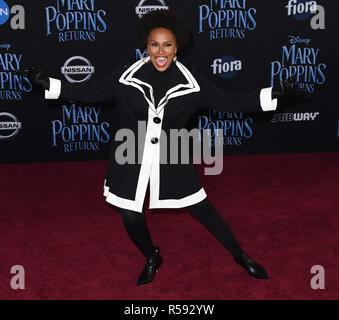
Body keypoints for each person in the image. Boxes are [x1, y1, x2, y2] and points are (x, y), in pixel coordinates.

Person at [22, 10, 296, 287]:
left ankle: (240, 255)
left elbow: (231, 101)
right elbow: (90, 92)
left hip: (171, 153)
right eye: (154, 44)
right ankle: (152, 256)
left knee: (201, 207)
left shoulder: (193, 83)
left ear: (177, 47)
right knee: (129, 212)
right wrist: (51, 85)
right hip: (129, 152)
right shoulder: (126, 76)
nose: (160, 51)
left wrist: (270, 95)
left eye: (167, 44)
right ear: (147, 46)